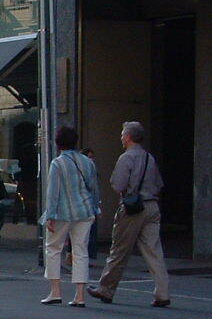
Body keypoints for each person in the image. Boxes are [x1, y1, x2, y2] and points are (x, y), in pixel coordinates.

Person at [89, 121, 170, 307]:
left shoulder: (126, 158)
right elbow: (158, 184)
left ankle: (106, 289)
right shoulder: (150, 158)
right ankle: (162, 293)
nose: (121, 138)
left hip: (133, 208)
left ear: (128, 137)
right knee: (154, 251)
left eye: (122, 135)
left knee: (119, 250)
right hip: (152, 207)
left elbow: (118, 184)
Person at [40, 126, 99, 306]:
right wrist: (95, 208)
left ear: (58, 143)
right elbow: (94, 188)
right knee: (80, 251)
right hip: (84, 211)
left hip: (62, 213)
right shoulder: (88, 162)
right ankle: (80, 295)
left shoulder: (57, 163)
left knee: (53, 248)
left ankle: (55, 292)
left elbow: (53, 193)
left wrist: (49, 215)